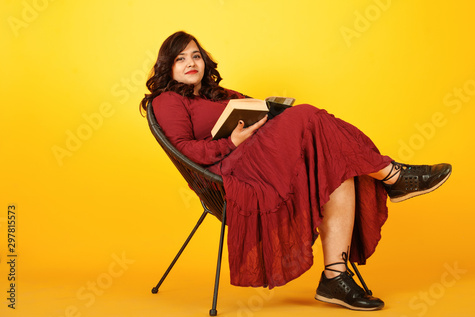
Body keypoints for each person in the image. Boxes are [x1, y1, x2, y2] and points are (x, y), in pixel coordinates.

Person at [140, 31, 452, 311]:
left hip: (257, 160)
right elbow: (185, 149)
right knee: (306, 116)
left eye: (196, 55)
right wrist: (232, 142)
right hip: (228, 174)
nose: (191, 62)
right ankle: (393, 176)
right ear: (168, 66)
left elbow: (255, 111)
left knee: (333, 161)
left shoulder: (219, 94)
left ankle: (335, 277)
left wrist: (269, 111)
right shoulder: (168, 100)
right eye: (181, 58)